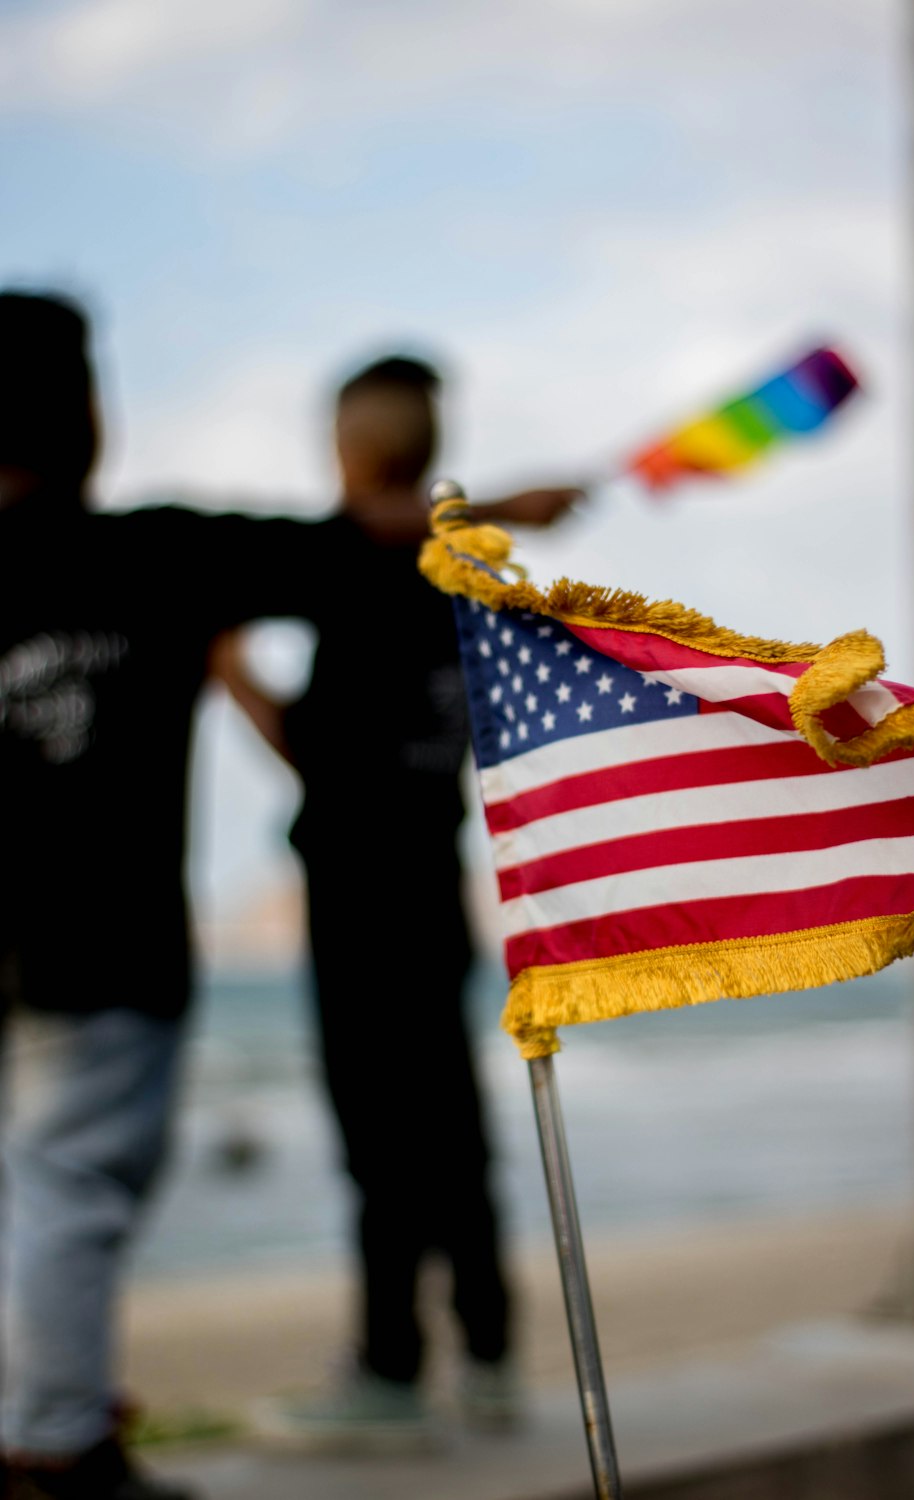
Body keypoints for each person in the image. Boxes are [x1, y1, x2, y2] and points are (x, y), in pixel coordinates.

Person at [0, 292, 412, 1500]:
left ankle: (47, 1417)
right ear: (86, 413)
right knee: (71, 1185)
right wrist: (497, 511)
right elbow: (356, 541)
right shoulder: (159, 551)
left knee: (36, 1190)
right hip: (107, 948)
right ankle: (58, 1446)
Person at [211, 354, 582, 1448]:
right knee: (452, 1130)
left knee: (379, 1137)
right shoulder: (456, 575)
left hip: (359, 893)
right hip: (432, 880)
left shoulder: (355, 574)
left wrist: (228, 668)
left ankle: (388, 1369)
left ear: (350, 452)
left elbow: (313, 751)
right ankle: (491, 1356)